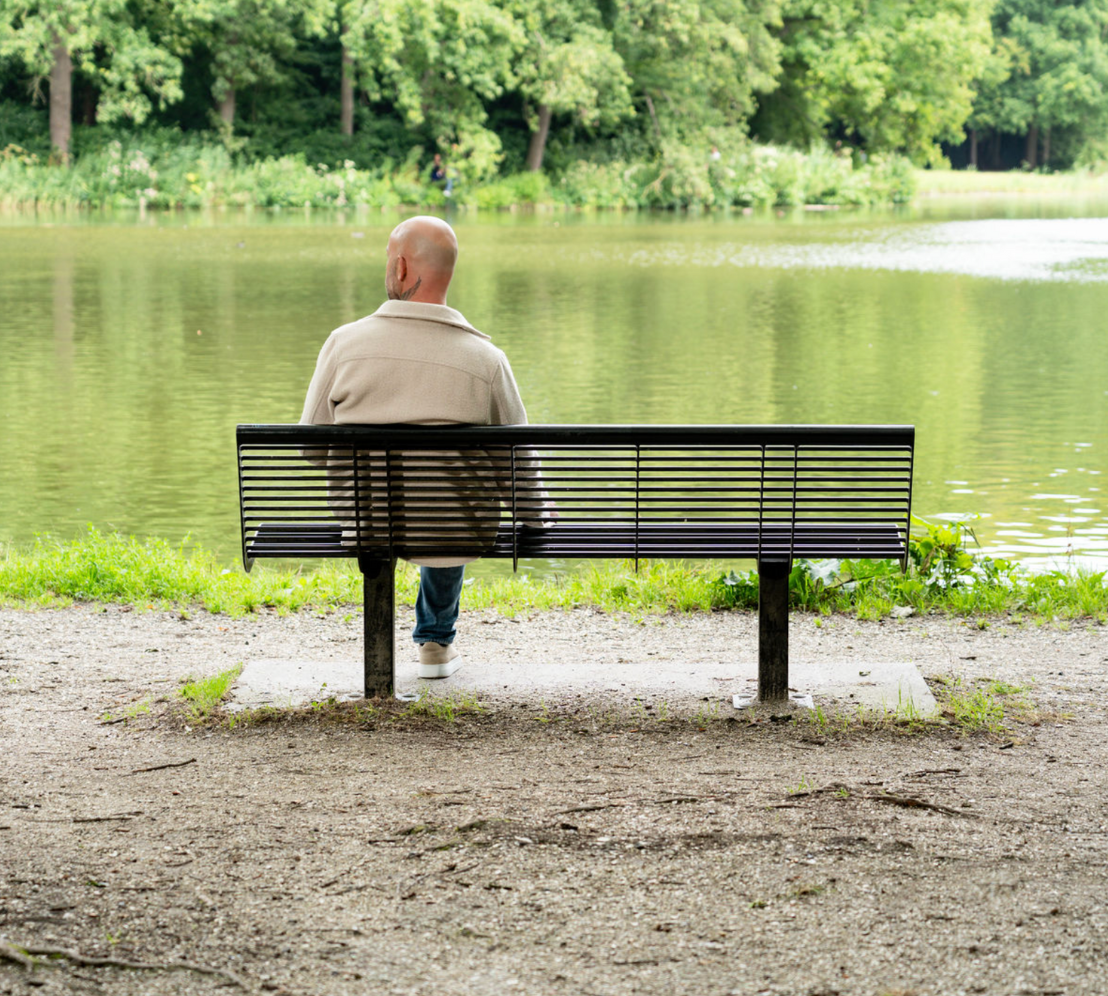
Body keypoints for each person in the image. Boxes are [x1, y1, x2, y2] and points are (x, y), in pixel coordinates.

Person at [299, 216, 547, 679]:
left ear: (400, 267)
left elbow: (313, 447)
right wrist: (536, 520)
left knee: (397, 494)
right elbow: (517, 463)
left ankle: (383, 663)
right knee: (451, 494)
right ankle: (435, 641)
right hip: (451, 532)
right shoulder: (486, 361)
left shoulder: (343, 345)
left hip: (368, 524)